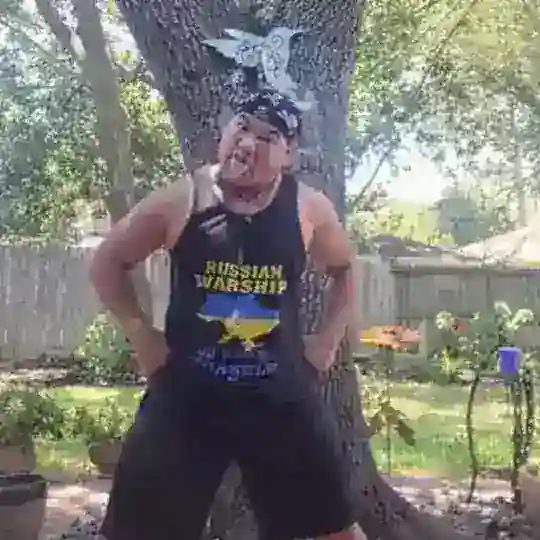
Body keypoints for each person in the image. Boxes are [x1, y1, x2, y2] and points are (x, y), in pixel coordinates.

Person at [90, 89, 366, 540]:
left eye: (269, 137)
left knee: (336, 531)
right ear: (224, 132)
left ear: (289, 155)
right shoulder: (182, 199)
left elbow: (345, 268)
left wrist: (327, 342)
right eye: (242, 126)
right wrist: (141, 334)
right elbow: (108, 261)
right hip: (187, 400)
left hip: (280, 398)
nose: (249, 143)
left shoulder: (308, 207)